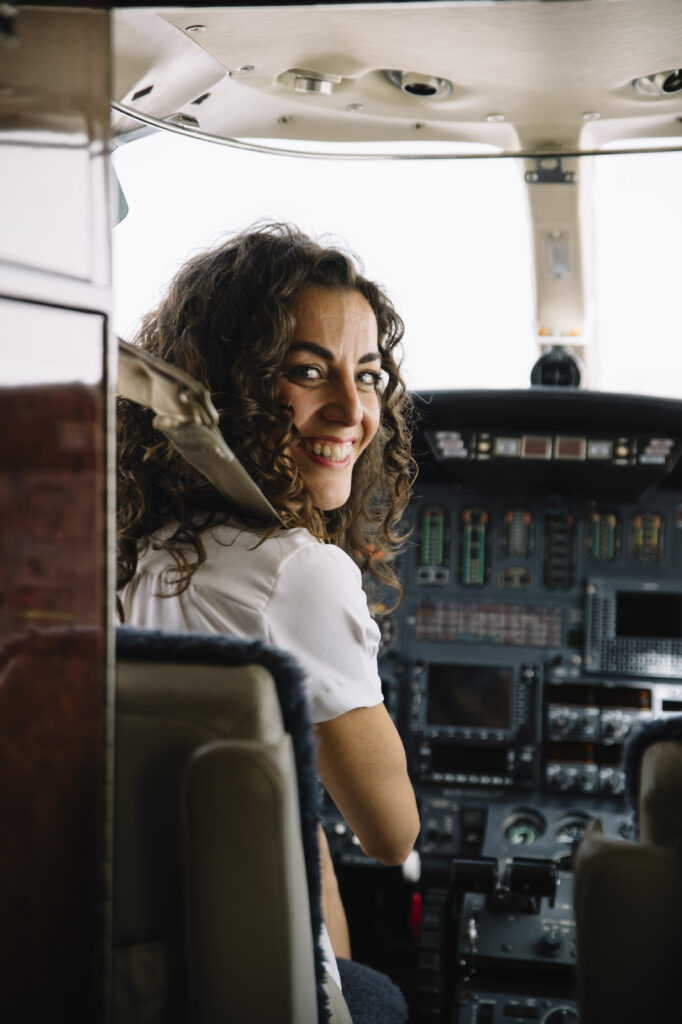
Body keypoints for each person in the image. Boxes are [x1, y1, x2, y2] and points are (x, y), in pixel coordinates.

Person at [116, 222, 420, 995]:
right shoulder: (299, 573)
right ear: (232, 389)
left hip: (153, 976)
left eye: (369, 375)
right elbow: (392, 834)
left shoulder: (144, 544)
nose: (353, 409)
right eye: (310, 372)